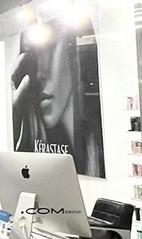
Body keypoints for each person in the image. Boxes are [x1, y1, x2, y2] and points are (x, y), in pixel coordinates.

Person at [10, 20, 104, 178]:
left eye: (50, 49)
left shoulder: (100, 147)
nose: (39, 73)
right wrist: (17, 115)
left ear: (74, 53)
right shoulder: (34, 138)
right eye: (34, 56)